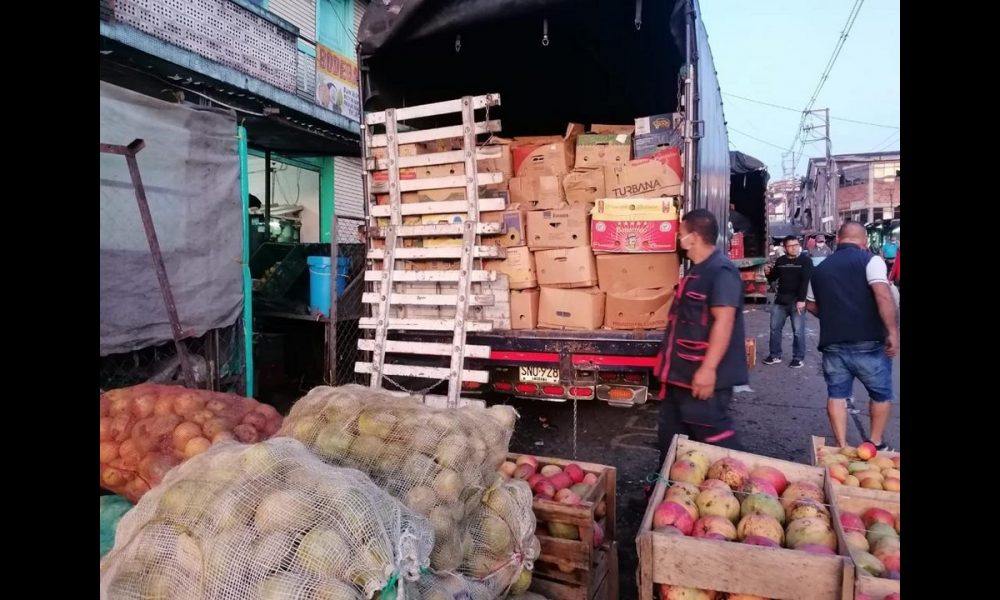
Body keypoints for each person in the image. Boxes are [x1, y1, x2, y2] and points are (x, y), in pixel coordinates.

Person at [655, 209, 747, 462]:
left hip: (702, 380)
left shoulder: (721, 271)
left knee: (715, 441)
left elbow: (724, 320)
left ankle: (743, 487)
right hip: (679, 378)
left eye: (681, 234)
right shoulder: (697, 271)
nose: (678, 238)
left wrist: (708, 369)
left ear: (693, 237)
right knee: (671, 441)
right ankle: (663, 493)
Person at [806, 222, 899, 451]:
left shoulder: (820, 268)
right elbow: (883, 296)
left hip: (833, 344)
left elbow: (810, 305)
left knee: (837, 394)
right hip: (869, 343)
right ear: (864, 241)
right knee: (880, 393)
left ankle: (842, 445)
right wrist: (892, 331)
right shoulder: (871, 260)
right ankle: (875, 442)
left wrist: (832, 317)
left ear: (837, 239)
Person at [763, 236, 813, 369]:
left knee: (798, 331)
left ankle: (798, 358)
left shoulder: (805, 260)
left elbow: (805, 282)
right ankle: (775, 355)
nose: (794, 247)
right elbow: (773, 278)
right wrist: (768, 273)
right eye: (790, 246)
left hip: (797, 301)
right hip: (780, 301)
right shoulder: (781, 261)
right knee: (774, 329)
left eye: (796, 245)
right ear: (784, 248)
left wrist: (802, 300)